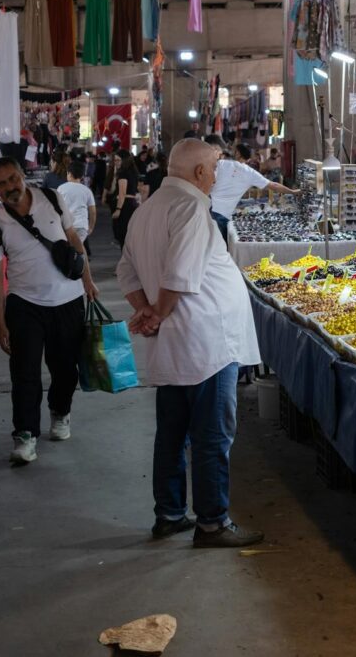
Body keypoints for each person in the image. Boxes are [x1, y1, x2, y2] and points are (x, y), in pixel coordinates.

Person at [116, 139, 263, 546]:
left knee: (172, 434)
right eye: (215, 168)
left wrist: (147, 309)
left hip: (173, 344)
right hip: (207, 345)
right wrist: (156, 313)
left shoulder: (147, 210)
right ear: (199, 172)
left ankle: (169, 514)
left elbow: (126, 272)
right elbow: (180, 275)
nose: (216, 176)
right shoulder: (192, 208)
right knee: (212, 435)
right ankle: (212, 523)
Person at [0, 157, 98, 465]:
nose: (9, 187)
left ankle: (60, 411)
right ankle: (25, 434)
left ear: (24, 177)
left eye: (12, 179)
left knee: (65, 369)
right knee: (25, 373)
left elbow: (73, 238)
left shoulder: (52, 198)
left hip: (68, 300)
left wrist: (87, 278)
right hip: (24, 304)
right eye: (1, 184)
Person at [210, 144, 297, 241]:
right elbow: (274, 186)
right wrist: (292, 192)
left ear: (238, 153)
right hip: (223, 213)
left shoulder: (222, 164)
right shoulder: (250, 173)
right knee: (221, 246)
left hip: (210, 208)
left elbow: (209, 178)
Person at [58, 161, 97, 257]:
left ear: (69, 173)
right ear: (82, 176)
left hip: (66, 226)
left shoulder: (61, 189)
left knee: (67, 251)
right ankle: (80, 268)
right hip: (81, 226)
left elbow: (57, 208)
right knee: (77, 251)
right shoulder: (87, 191)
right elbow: (93, 211)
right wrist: (91, 227)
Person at [111, 149, 139, 248]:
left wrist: (118, 209)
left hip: (125, 205)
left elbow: (122, 193)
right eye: (115, 160)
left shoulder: (123, 174)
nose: (116, 162)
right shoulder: (133, 171)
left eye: (118, 160)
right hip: (132, 203)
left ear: (124, 160)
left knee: (123, 234)